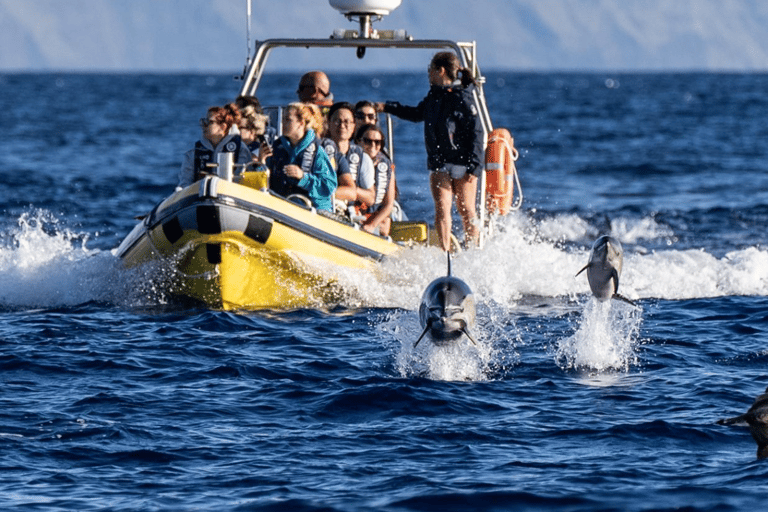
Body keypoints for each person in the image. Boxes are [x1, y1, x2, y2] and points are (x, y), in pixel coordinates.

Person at [376, 52, 484, 251]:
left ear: (440, 70)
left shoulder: (463, 97)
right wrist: (387, 107)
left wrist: (475, 166)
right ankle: (445, 252)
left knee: (465, 208)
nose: (428, 74)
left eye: (430, 70)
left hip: (463, 163)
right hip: (439, 162)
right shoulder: (434, 97)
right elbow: (417, 113)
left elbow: (478, 132)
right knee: (442, 207)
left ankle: (474, 249)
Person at [256, 102, 336, 212]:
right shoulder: (277, 147)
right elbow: (263, 183)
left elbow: (329, 186)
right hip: (283, 206)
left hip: (313, 210)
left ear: (301, 123)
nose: (282, 123)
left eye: (288, 120)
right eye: (283, 119)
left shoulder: (318, 151)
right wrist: (262, 161)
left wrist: (303, 177)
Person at [178, 103, 252, 189]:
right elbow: (185, 184)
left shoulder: (241, 150)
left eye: (210, 122)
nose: (204, 125)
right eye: (204, 121)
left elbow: (241, 182)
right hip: (200, 199)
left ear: (223, 127)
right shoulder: (193, 153)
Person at [324, 102, 375, 211]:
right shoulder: (319, 152)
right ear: (328, 123)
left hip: (351, 215)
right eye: (337, 121)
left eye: (347, 122)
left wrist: (348, 191)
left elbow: (370, 198)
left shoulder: (363, 158)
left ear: (353, 126)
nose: (342, 126)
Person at [355, 123, 397, 236]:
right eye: (368, 141)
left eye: (377, 142)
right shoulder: (350, 161)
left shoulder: (387, 166)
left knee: (385, 223)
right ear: (359, 141)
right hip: (354, 213)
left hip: (375, 217)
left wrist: (372, 225)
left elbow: (388, 204)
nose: (373, 145)